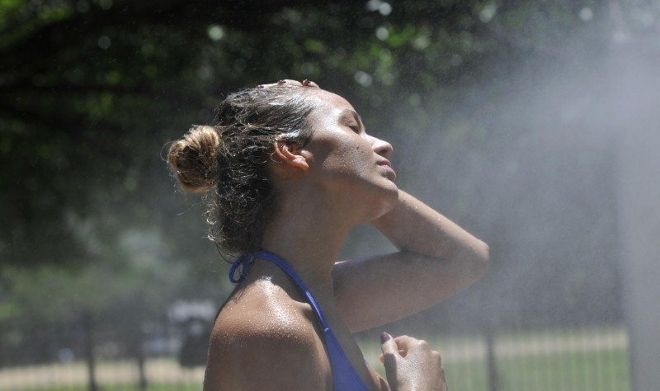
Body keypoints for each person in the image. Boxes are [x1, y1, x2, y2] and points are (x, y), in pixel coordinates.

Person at [167, 79, 489, 390]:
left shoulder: (319, 294)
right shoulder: (269, 325)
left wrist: (373, 189)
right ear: (291, 150)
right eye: (353, 127)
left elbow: (463, 260)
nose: (383, 144)